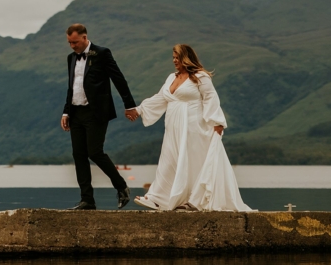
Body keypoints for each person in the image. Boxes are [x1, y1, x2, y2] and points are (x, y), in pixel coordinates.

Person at [131, 44, 252, 212]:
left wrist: (217, 122)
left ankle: (194, 200)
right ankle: (158, 199)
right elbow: (160, 98)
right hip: (173, 127)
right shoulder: (171, 78)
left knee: (193, 162)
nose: (174, 60)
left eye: (177, 57)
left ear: (186, 58)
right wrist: (139, 110)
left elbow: (210, 97)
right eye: (173, 57)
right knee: (169, 160)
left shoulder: (200, 77)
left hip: (195, 126)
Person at [61, 24, 137, 210]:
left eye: (75, 42)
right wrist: (66, 111)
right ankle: (87, 200)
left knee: (95, 152)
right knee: (79, 155)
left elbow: (118, 78)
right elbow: (72, 87)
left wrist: (129, 105)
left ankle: (121, 187)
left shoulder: (102, 53)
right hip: (76, 112)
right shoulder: (71, 58)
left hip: (96, 112)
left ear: (85, 37)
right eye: (69, 43)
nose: (72, 46)